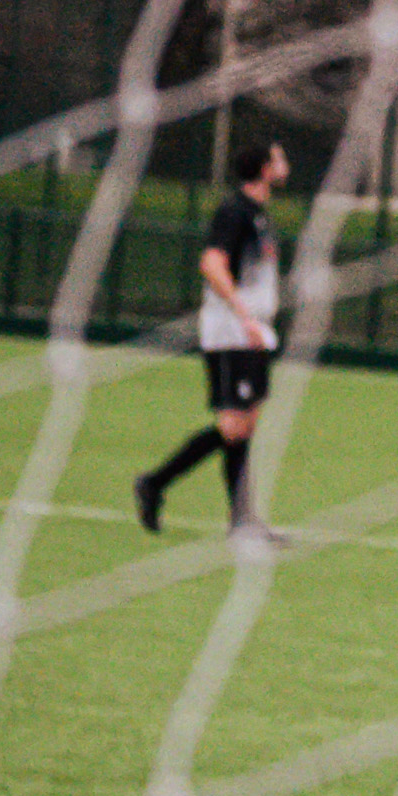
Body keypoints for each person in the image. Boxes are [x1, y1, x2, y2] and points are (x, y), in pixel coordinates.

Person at [134, 141, 289, 536]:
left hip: (252, 334)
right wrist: (244, 316)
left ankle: (242, 521)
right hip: (232, 333)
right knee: (234, 427)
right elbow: (212, 263)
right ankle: (155, 483)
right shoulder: (234, 211)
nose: (285, 165)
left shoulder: (258, 215)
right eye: (279, 158)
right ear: (265, 168)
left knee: (244, 425)